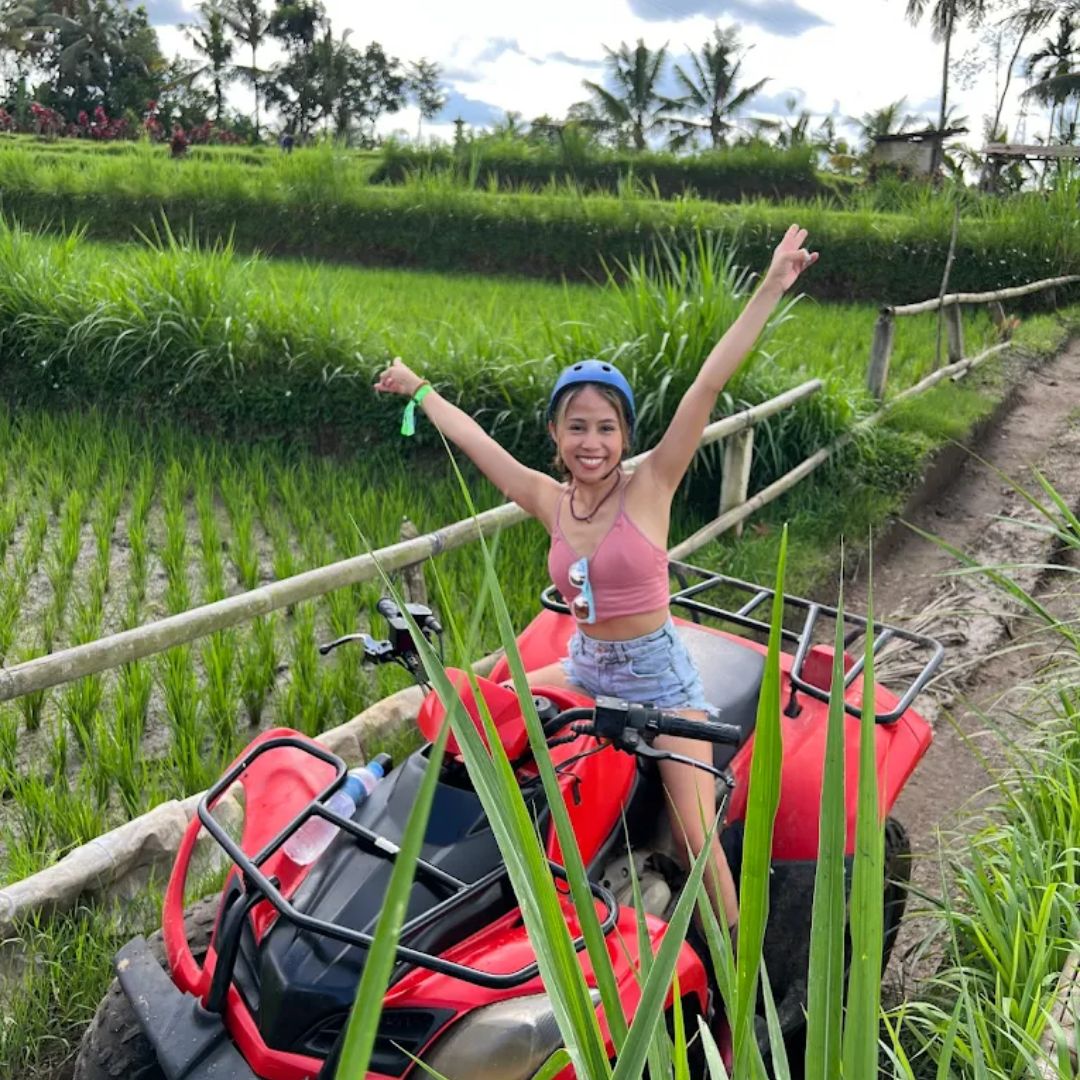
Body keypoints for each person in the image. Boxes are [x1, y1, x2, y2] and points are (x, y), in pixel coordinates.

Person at [375, 224, 818, 938]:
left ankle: (741, 994)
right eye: (576, 427)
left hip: (658, 683)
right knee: (486, 719)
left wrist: (770, 286)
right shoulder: (550, 499)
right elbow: (477, 444)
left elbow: (709, 382)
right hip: (586, 666)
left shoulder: (651, 488)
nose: (592, 443)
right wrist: (417, 388)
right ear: (555, 435)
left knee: (699, 843)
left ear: (626, 435)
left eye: (607, 428)